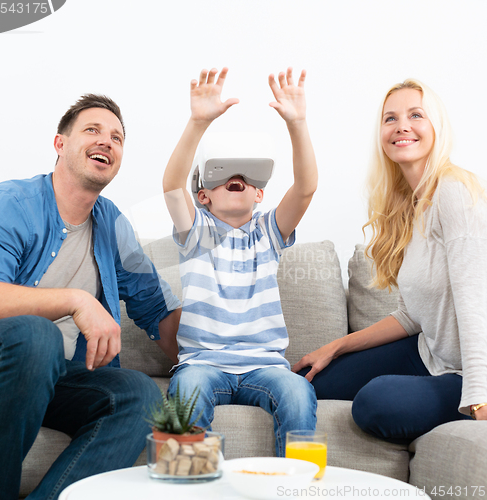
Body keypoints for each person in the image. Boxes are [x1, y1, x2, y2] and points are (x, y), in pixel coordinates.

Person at [0, 94, 181, 500]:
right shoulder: (10, 204)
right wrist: (77, 300)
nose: (106, 141)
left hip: (56, 375)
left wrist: (222, 338)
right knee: (37, 337)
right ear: (60, 143)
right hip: (1, 364)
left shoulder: (112, 224)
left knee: (140, 394)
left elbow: (159, 315)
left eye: (117, 137)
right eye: (92, 130)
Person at [294, 79, 487, 442]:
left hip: (473, 370)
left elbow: (475, 304)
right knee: (308, 383)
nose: (402, 126)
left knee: (376, 403)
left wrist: (479, 400)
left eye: (416, 115)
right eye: (390, 118)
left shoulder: (454, 192)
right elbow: (412, 315)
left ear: (437, 128)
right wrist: (335, 346)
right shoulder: (411, 205)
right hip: (432, 355)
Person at [162, 67, 319, 457]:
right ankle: (187, 487)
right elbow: (170, 185)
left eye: (248, 177)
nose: (238, 177)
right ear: (203, 197)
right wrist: (198, 122)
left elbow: (305, 188)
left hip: (265, 365)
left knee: (299, 392)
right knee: (186, 394)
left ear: (260, 195)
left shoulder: (267, 233)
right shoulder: (194, 232)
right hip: (203, 363)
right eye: (224, 174)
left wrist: (297, 123)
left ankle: (296, 489)